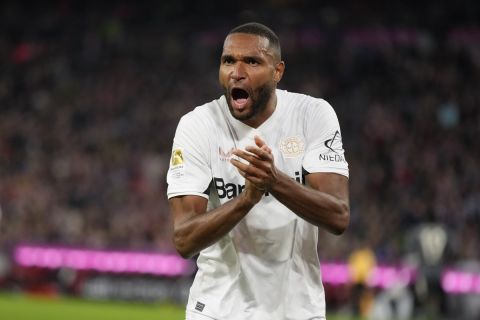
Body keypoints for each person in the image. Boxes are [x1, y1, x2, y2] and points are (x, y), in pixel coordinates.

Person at [167, 22, 350, 320]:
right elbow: (184, 240)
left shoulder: (312, 115)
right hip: (217, 310)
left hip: (297, 310)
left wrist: (274, 181)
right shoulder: (198, 125)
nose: (236, 72)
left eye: (251, 61)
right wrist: (247, 199)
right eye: (228, 60)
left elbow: (338, 215)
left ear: (277, 71)